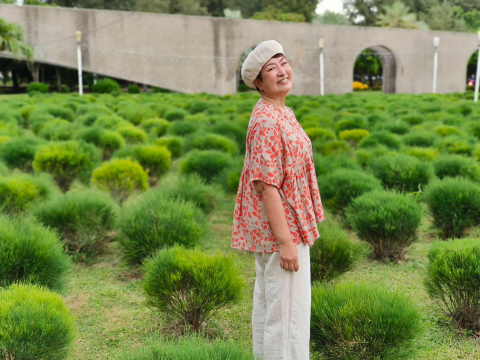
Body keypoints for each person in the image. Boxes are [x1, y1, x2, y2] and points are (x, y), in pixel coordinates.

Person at [231, 40, 325, 360]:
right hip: (282, 231)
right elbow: (266, 185)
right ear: (258, 82)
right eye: (271, 69)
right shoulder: (267, 120)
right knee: (287, 319)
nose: (282, 71)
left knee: (275, 310)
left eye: (283, 63)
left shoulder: (281, 110)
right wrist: (285, 242)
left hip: (288, 225)